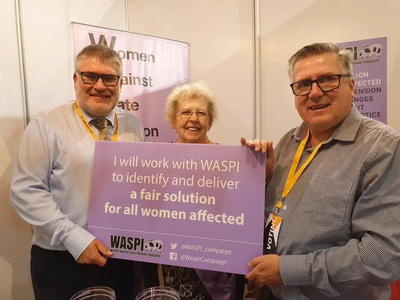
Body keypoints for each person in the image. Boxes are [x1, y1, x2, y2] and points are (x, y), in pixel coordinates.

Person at [243, 43, 400, 299]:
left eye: (328, 80)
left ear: (351, 87)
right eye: (303, 84)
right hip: (273, 291)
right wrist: (261, 180)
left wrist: (289, 270)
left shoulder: (384, 148)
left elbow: (382, 256)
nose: (314, 93)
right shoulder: (289, 141)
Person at [10, 44, 145, 300]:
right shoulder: (47, 123)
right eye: (90, 76)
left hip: (120, 257)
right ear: (75, 79)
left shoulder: (133, 125)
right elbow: (25, 191)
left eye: (109, 78)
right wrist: (75, 239)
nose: (99, 85)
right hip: (63, 258)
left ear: (120, 83)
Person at [141, 81, 246, 300]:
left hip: (216, 266)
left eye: (201, 113)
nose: (193, 119)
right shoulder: (154, 162)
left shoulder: (230, 162)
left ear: (210, 121)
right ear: (172, 119)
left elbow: (240, 212)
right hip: (169, 265)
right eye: (185, 112)